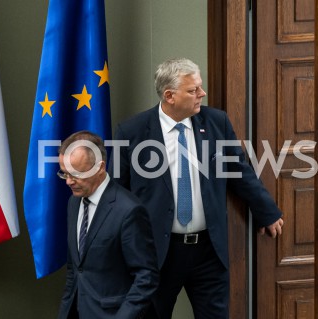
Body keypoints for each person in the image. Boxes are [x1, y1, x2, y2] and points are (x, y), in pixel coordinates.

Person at [108, 58, 284, 319]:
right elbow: (116, 195)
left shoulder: (216, 122)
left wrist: (267, 211)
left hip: (208, 252)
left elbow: (239, 170)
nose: (202, 94)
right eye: (193, 91)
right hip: (156, 254)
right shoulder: (132, 132)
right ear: (170, 96)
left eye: (200, 88)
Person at [56, 131, 159, 319]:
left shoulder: (129, 211)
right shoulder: (74, 203)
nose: (69, 182)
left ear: (100, 168)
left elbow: (146, 277)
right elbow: (75, 268)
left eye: (76, 174)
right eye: (65, 173)